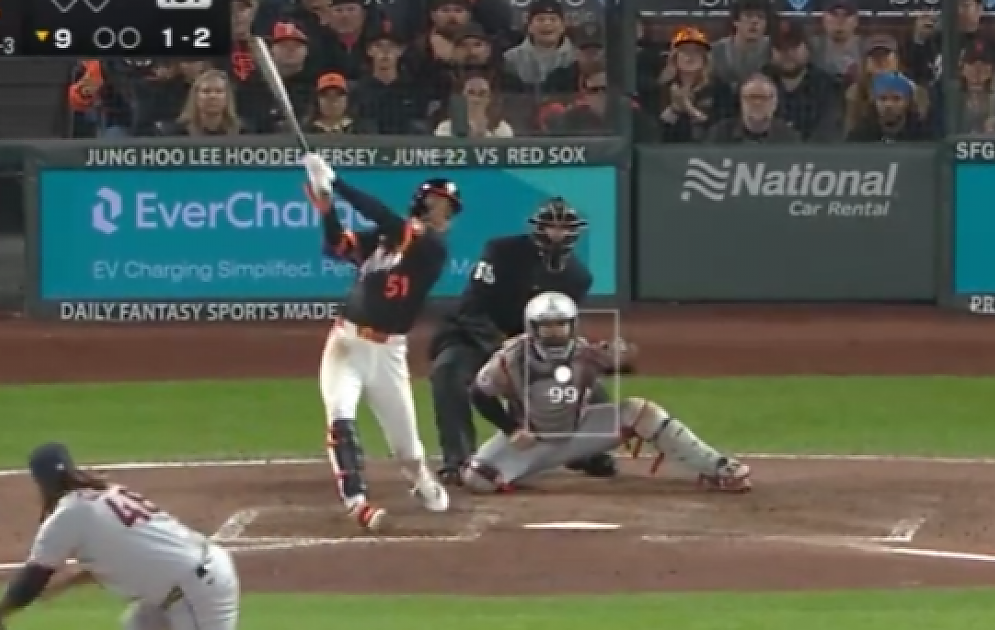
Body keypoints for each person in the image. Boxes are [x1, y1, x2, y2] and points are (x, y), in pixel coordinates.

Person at [304, 153, 459, 532]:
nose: (446, 214)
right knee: (340, 417)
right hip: (346, 343)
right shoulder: (384, 240)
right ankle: (356, 502)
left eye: (449, 208)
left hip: (389, 352)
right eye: (441, 204)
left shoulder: (432, 249)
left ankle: (419, 477)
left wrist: (337, 183)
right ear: (423, 203)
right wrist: (327, 209)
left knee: (408, 451)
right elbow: (337, 246)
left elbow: (386, 218)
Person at [462, 293, 752, 494]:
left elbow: (624, 364)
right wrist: (511, 429)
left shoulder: (585, 352)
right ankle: (529, 467)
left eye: (561, 325)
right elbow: (479, 393)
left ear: (572, 325)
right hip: (530, 439)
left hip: (579, 431)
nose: (555, 332)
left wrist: (621, 355)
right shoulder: (510, 358)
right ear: (532, 328)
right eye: (547, 326)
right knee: (478, 480)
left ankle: (718, 468)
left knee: (640, 411)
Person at [428, 198, 623, 485]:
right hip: (474, 335)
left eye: (564, 228)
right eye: (551, 227)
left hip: (531, 346)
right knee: (448, 372)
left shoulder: (578, 277)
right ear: (538, 228)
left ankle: (584, 452)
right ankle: (458, 459)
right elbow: (472, 307)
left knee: (587, 383)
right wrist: (501, 346)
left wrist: (579, 356)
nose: (557, 234)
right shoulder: (501, 252)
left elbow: (562, 328)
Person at [0, 443, 239, 630]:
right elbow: (123, 553)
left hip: (197, 594)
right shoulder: (106, 493)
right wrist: (68, 584)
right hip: (190, 581)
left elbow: (33, 578)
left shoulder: (68, 515)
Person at [706, 74, 802, 143]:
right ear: (741, 101)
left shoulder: (789, 137)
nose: (757, 103)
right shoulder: (719, 134)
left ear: (775, 103)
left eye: (764, 97)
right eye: (752, 97)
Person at [159, 69, 247, 136]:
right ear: (196, 97)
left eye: (219, 91)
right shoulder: (174, 133)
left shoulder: (243, 132)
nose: (212, 96)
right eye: (206, 91)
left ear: (227, 98)